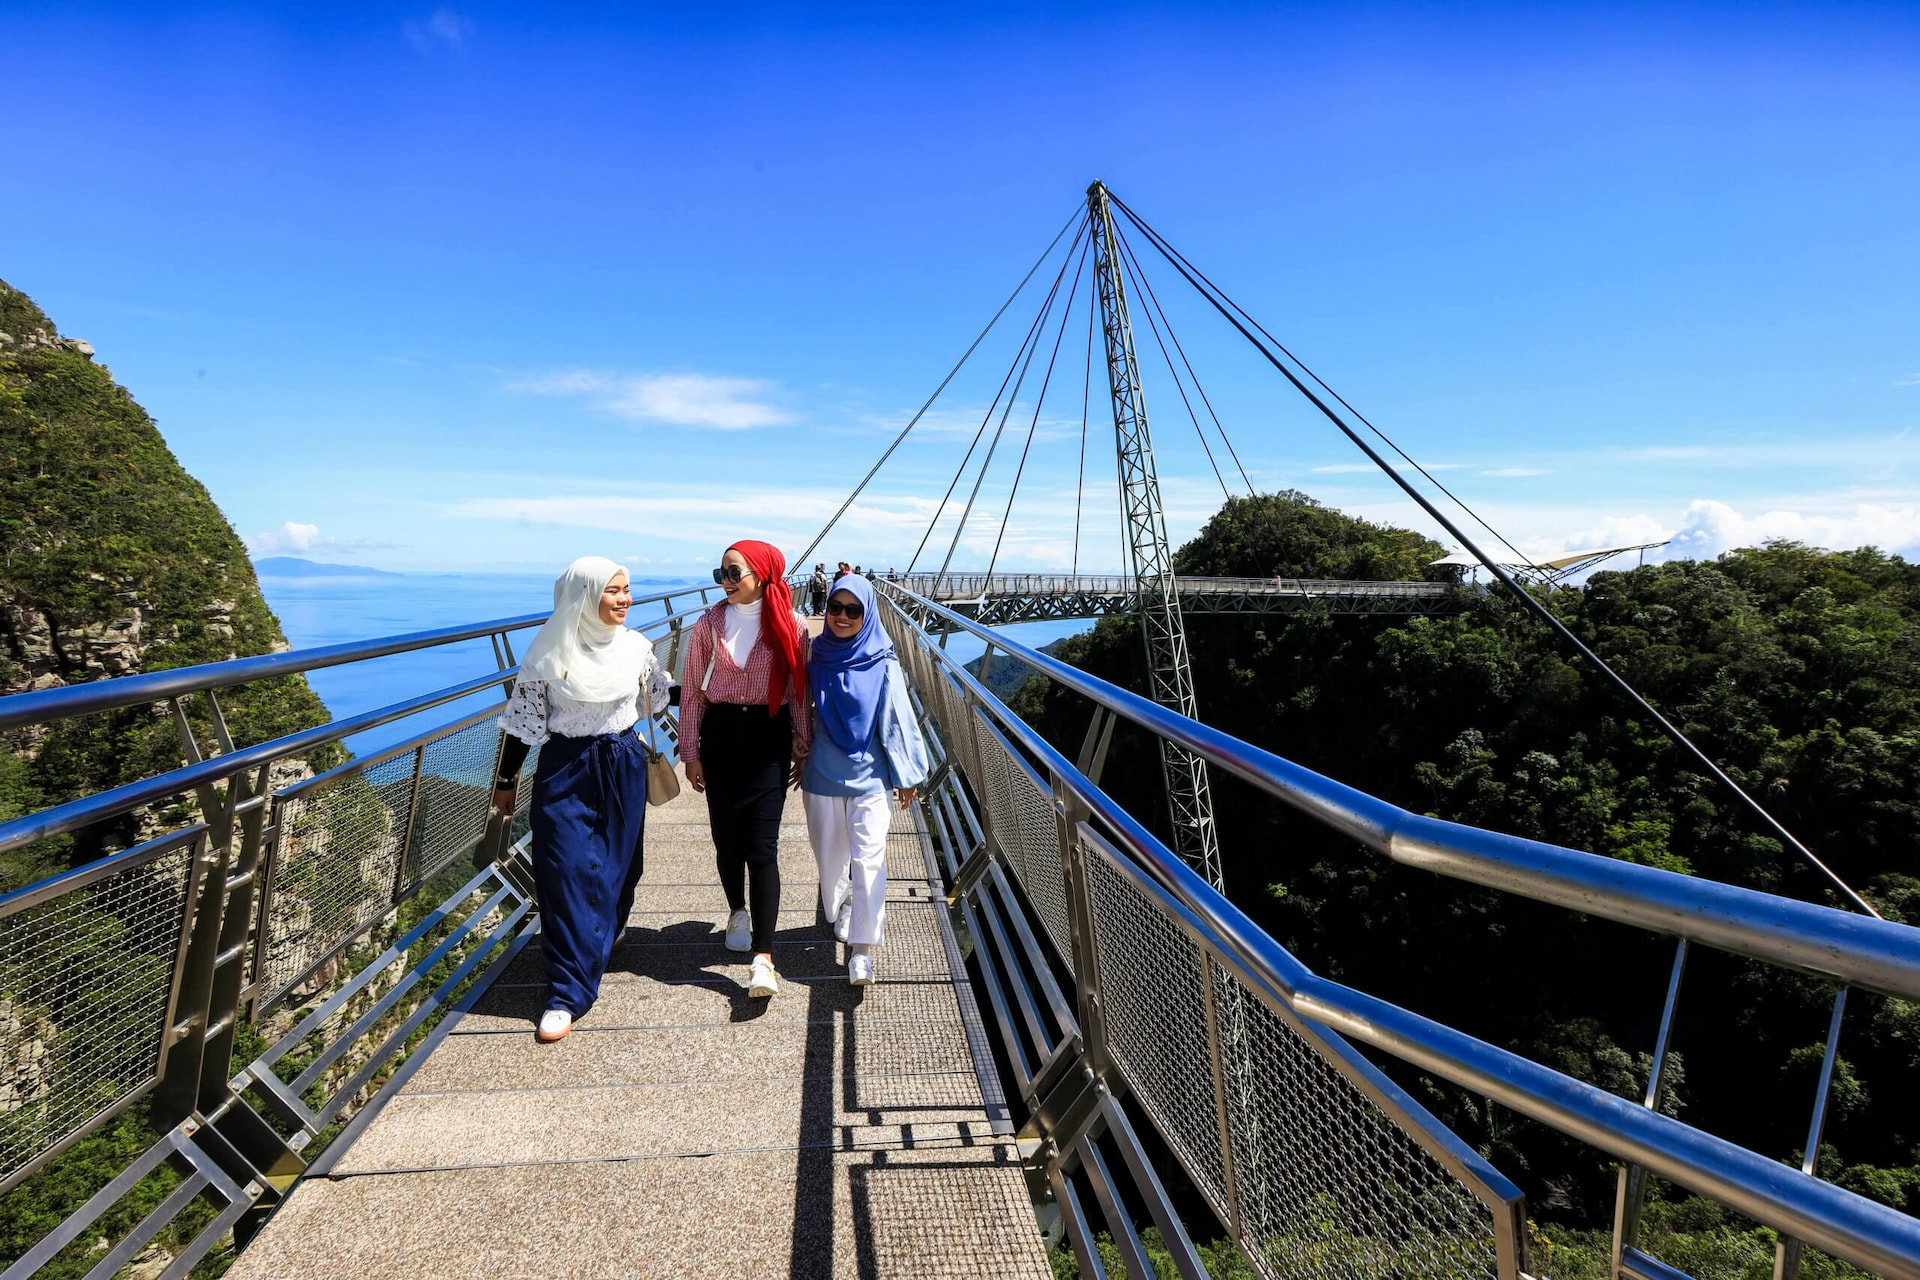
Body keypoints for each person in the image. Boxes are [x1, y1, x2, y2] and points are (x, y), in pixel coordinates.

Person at [494, 557, 672, 1043]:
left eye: (626, 589)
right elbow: (523, 726)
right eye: (612, 590)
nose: (625, 599)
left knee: (621, 867)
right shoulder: (546, 654)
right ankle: (566, 993)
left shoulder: (636, 648)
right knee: (563, 870)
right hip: (565, 768)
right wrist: (505, 783)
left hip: (622, 763)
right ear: (582, 596)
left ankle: (602, 934)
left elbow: (659, 698)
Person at [679, 540, 810, 998]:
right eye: (722, 574)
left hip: (768, 737)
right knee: (726, 838)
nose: (726, 583)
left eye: (734, 573)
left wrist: (802, 741)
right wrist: (690, 752)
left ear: (763, 574)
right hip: (720, 736)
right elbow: (691, 691)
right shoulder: (709, 623)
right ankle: (737, 910)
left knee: (763, 846)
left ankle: (764, 958)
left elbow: (798, 688)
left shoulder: (792, 625)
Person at [801, 574, 928, 985]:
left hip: (871, 778)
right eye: (834, 608)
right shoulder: (815, 654)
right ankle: (843, 906)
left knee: (869, 861)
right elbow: (797, 705)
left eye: (853, 610)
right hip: (822, 774)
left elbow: (896, 720)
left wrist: (905, 774)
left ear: (867, 613)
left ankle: (862, 951)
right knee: (830, 862)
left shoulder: (883, 661)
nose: (842, 616)